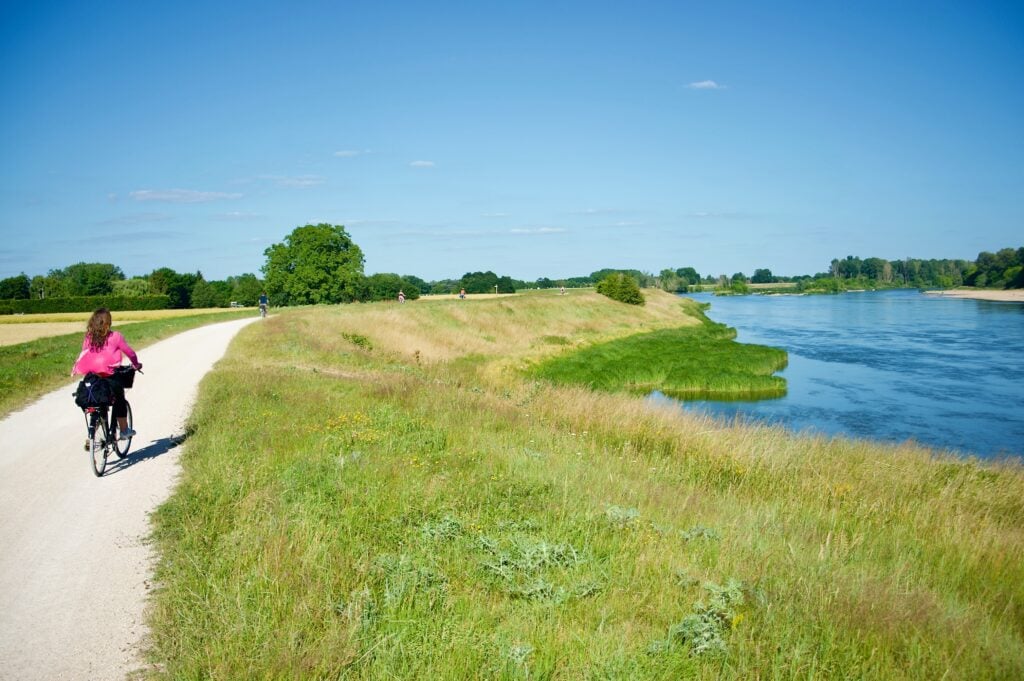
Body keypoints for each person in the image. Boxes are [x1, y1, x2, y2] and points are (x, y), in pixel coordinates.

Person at [72, 308, 141, 443]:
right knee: (119, 398)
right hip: (109, 376)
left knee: (97, 400)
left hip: (92, 377)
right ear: (108, 323)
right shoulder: (116, 336)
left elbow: (84, 354)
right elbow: (130, 353)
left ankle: (93, 431)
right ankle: (124, 430)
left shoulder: (88, 337)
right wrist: (136, 364)